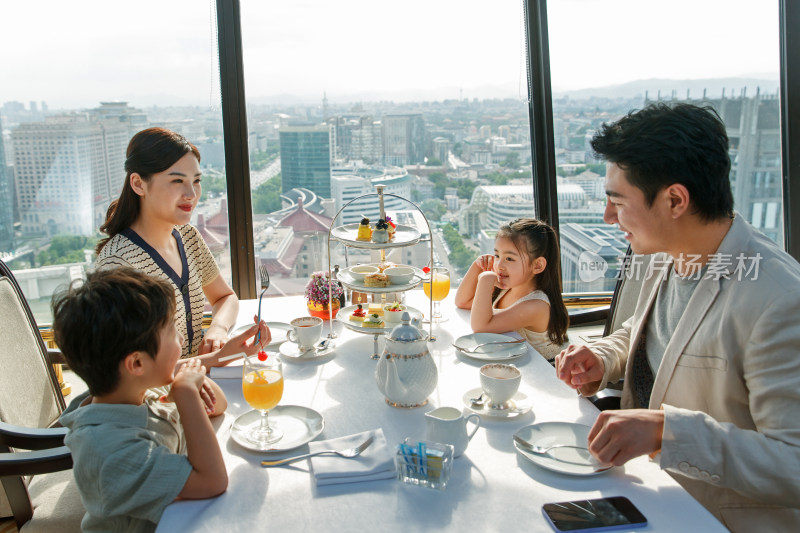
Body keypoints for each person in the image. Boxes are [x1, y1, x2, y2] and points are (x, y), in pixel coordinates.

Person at [554, 103, 800, 530]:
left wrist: (668, 432)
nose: (608, 216)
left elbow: (794, 464)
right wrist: (602, 355)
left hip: (715, 519)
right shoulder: (666, 254)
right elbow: (649, 331)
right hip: (647, 496)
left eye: (617, 201)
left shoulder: (778, 299)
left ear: (674, 200)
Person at [53, 267, 265, 532]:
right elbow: (213, 481)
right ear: (137, 362)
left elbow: (216, 406)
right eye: (171, 333)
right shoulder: (112, 451)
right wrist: (187, 394)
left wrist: (189, 379)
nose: (180, 339)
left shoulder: (135, 390)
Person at [96, 127, 266, 365]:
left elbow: (225, 296)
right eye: (177, 180)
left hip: (199, 387)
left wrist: (218, 329)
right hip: (158, 400)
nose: (191, 193)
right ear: (138, 184)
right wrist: (215, 358)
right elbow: (131, 373)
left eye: (196, 181)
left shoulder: (187, 237)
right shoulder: (117, 265)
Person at [454, 217, 569, 360]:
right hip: (515, 361)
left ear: (537, 265)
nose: (499, 265)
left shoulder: (536, 305)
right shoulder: (507, 287)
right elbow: (463, 302)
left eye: (509, 258)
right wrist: (477, 265)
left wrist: (485, 279)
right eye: (497, 255)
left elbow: (480, 327)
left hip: (543, 372)